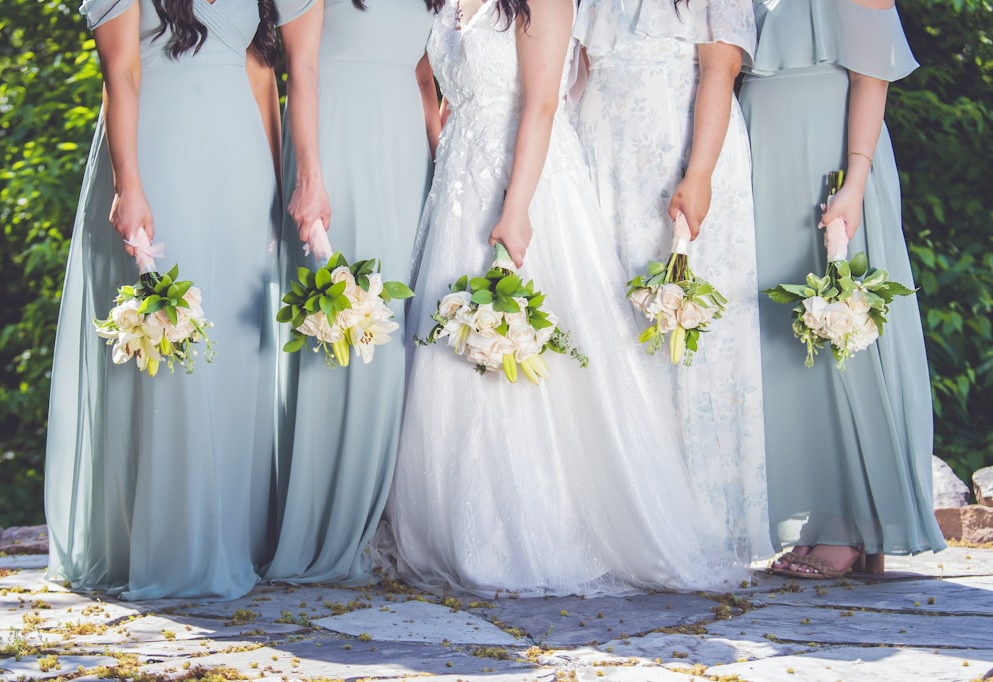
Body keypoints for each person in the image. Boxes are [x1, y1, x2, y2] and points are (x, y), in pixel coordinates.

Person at [374, 0, 752, 597]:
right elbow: (429, 81)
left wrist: (517, 206)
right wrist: (444, 147)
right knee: (454, 349)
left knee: (529, 355)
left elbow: (544, 101)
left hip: (525, 178)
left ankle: (532, 528)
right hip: (459, 179)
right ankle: (450, 523)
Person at [44, 0, 289, 600]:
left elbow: (262, 77)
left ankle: (230, 535)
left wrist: (279, 190)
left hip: (240, 163)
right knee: (167, 345)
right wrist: (130, 183)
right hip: (157, 154)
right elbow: (121, 72)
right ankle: (167, 540)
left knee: (230, 348)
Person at [739, 0, 946, 578]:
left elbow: (870, 74)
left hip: (826, 155)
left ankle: (861, 522)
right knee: (787, 342)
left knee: (839, 327)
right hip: (759, 155)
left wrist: (855, 179)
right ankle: (816, 518)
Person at [573, 0, 771, 566]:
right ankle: (628, 519)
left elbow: (720, 66)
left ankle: (699, 526)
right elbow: (581, 70)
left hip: (677, 152)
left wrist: (699, 174)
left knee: (680, 331)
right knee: (616, 329)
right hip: (604, 158)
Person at [263, 0, 440, 583]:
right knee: (346, 329)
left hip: (402, 152)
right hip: (338, 141)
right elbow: (302, 67)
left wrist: (443, 155)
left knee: (394, 332)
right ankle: (328, 524)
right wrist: (311, 174)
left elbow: (421, 73)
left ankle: (385, 518)